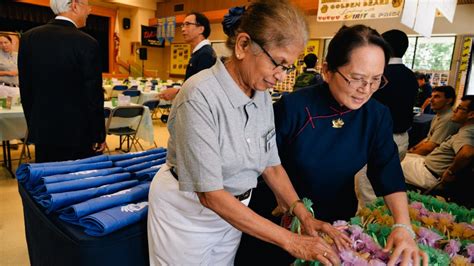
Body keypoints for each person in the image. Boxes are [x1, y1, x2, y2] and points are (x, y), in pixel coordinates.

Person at [148, 1, 350, 265]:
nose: (280, 76)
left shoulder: (261, 94)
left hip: (236, 212)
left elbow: (271, 164)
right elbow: (210, 194)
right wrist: (292, 241)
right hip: (189, 214)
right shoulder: (199, 95)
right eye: (278, 63)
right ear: (243, 45)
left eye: (288, 67)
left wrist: (302, 212)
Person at [238, 25, 427, 266]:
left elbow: (388, 172)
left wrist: (402, 225)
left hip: (333, 219)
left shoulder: (376, 115)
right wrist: (294, 210)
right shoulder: (294, 107)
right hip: (277, 215)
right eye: (357, 79)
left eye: (376, 80)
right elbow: (264, 164)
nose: (365, 90)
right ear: (327, 71)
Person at [18, 0, 105, 163]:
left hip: (43, 131)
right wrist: (98, 134)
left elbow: (26, 89)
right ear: (74, 5)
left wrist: (34, 125)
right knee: (76, 184)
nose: (90, 10)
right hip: (79, 134)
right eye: (87, 5)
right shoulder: (87, 42)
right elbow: (93, 94)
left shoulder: (28, 38)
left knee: (49, 181)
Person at [354, 29, 419, 209]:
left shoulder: (381, 75)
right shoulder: (410, 76)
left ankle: (366, 231)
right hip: (402, 139)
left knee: (367, 192)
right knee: (387, 187)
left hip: (379, 141)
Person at [402, 95, 474, 190]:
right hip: (426, 164)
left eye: (460, 108)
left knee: (388, 164)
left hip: (429, 174)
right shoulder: (465, 129)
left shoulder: (468, 131)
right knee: (399, 157)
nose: (455, 110)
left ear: (471, 114)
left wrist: (450, 172)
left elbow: (466, 154)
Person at [158, 12, 216, 101]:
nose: (183, 29)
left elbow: (202, 90)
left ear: (201, 29)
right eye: (183, 25)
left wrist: (176, 92)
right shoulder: (199, 52)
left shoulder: (205, 54)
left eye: (187, 24)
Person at [408, 86, 460, 156]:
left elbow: (430, 147)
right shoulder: (438, 116)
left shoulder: (448, 118)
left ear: (448, 100)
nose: (431, 100)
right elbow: (428, 139)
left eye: (437, 97)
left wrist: (409, 154)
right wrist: (413, 149)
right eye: (431, 96)